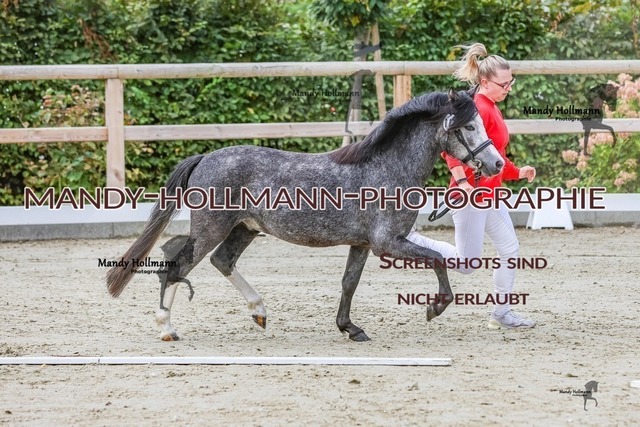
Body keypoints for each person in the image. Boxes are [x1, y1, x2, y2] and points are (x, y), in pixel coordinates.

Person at [407, 42, 537, 329]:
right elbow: (449, 149)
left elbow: (496, 156)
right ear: (484, 82)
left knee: (509, 249)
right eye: (503, 84)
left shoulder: (491, 107)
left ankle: (501, 314)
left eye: (511, 82)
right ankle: (412, 238)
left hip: (490, 194)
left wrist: (517, 172)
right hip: (470, 195)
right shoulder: (477, 108)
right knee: (466, 264)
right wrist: (463, 181)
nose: (509, 88)